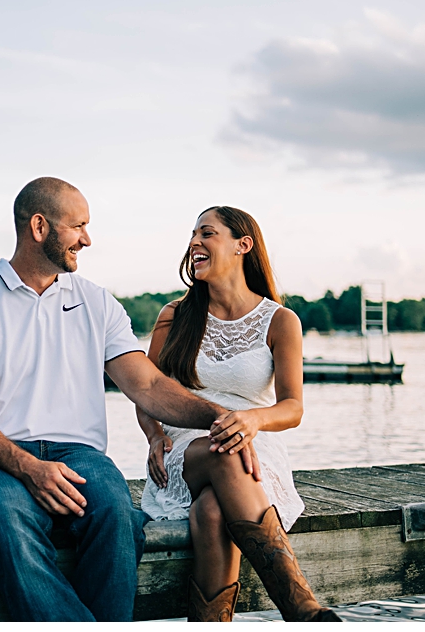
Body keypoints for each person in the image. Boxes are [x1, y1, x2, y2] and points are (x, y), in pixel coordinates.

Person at [0, 178, 258, 622]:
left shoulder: (97, 303)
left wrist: (219, 416)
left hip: (80, 456)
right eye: (78, 227)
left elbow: (147, 386)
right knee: (9, 521)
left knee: (119, 519)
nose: (87, 239)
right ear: (39, 227)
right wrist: (29, 469)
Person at [136, 206, 340, 622]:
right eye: (192, 234)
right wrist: (156, 437)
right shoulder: (174, 315)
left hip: (258, 450)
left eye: (207, 233)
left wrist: (253, 420)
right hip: (188, 453)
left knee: (211, 513)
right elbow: (145, 391)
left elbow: (292, 407)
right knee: (223, 449)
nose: (194, 242)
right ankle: (301, 607)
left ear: (242, 244)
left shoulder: (281, 321)